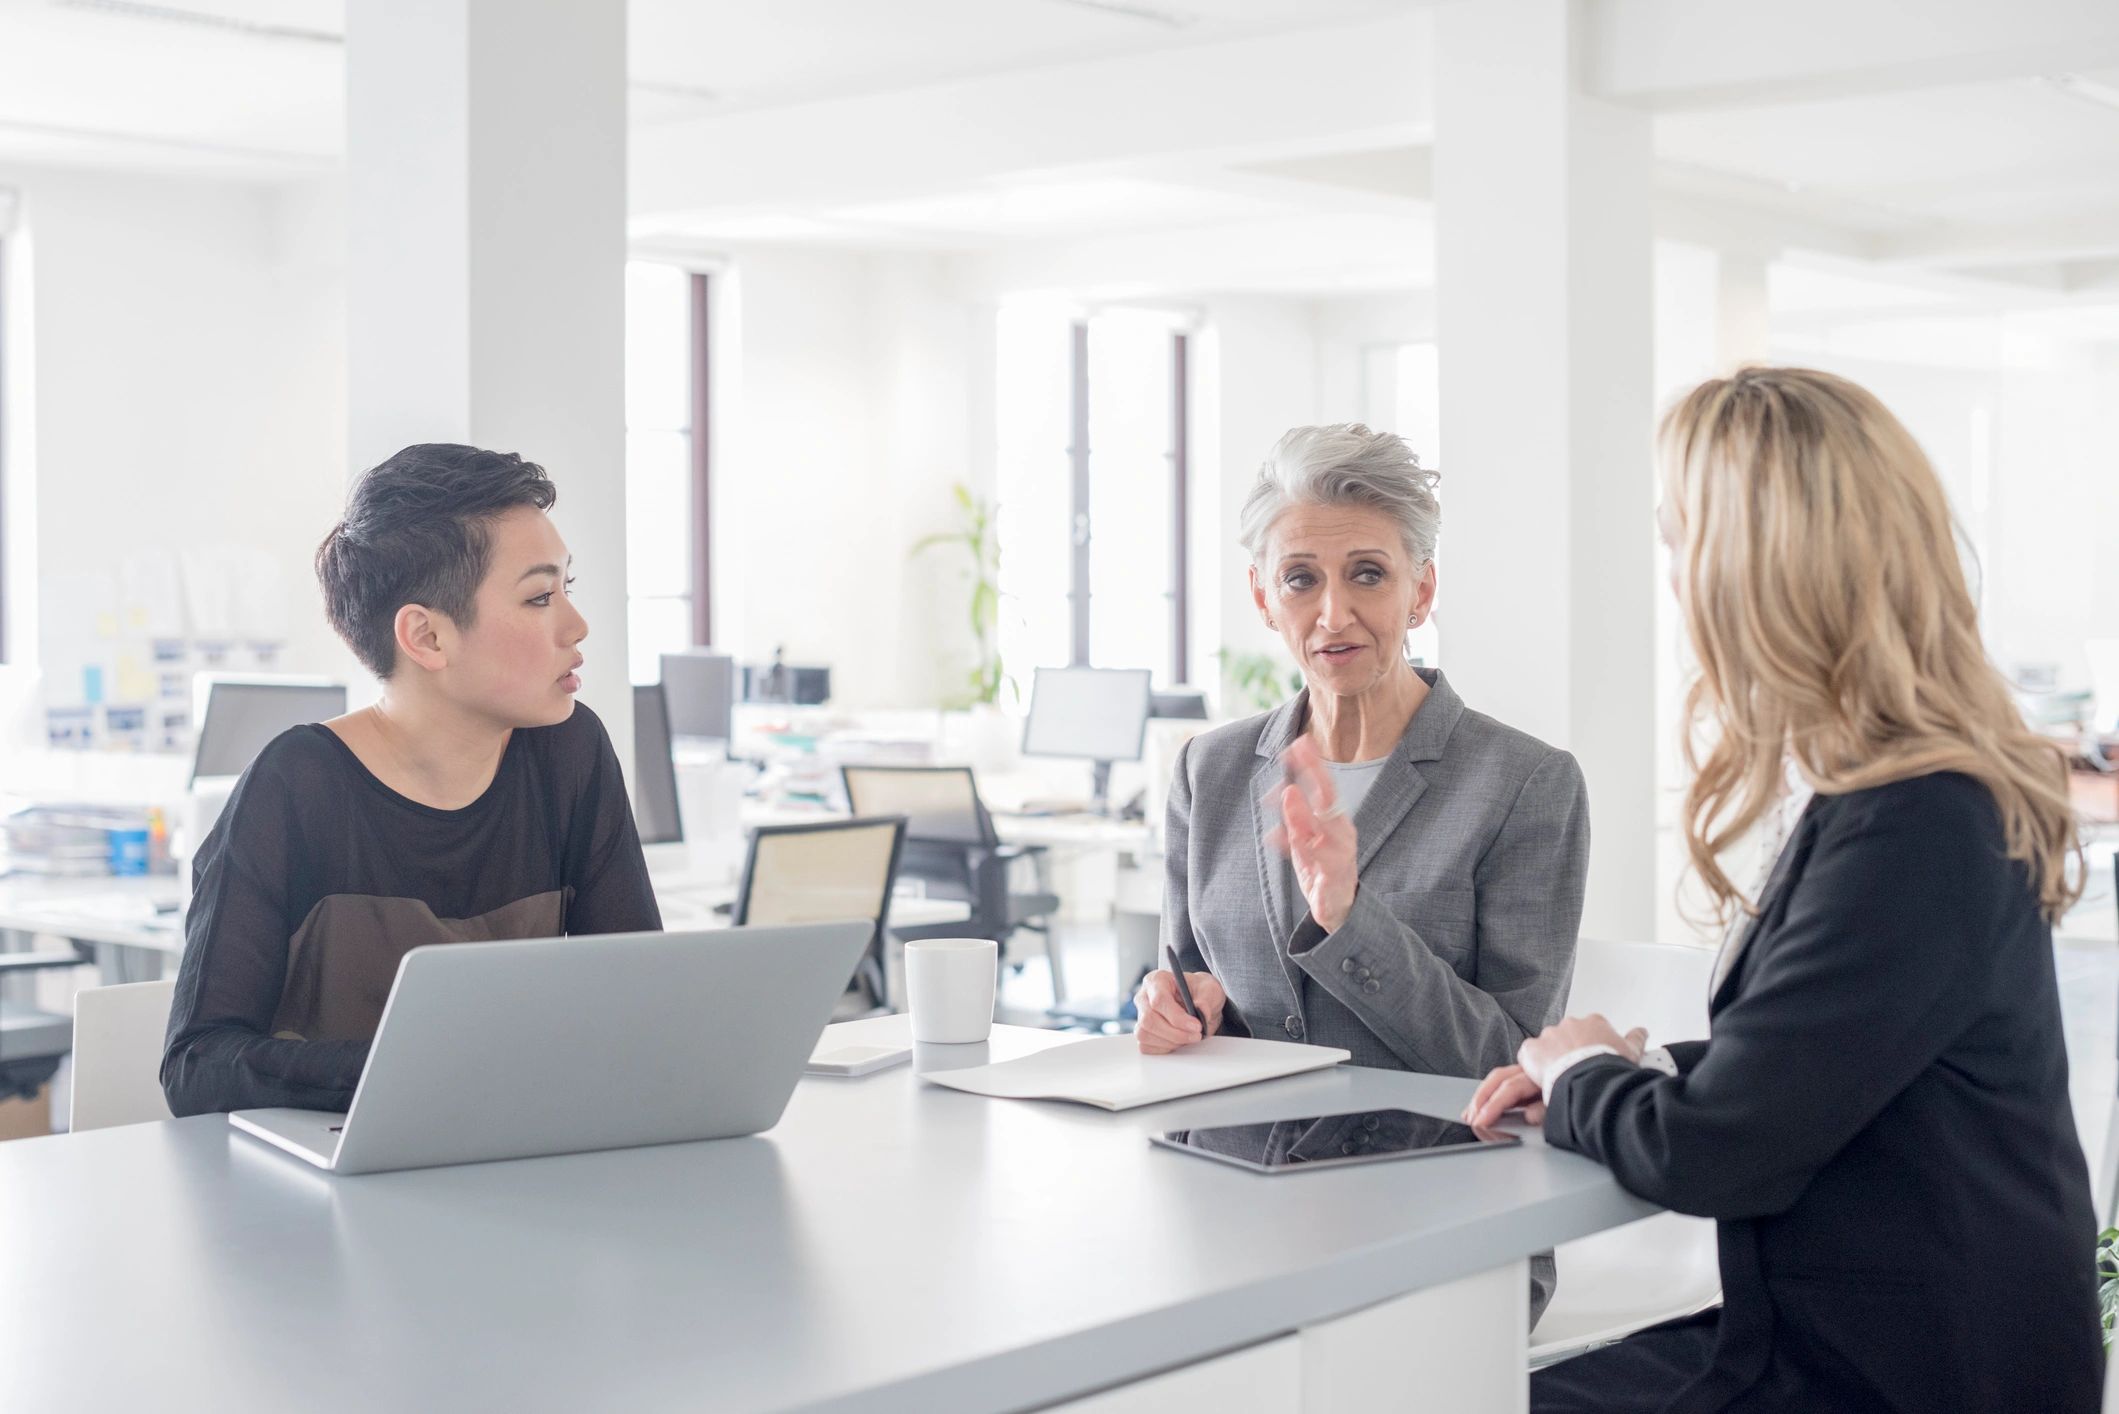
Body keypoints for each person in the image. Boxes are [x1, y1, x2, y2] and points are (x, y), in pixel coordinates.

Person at [1467, 367, 2100, 1413]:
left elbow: (1714, 1156)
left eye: (1679, 539)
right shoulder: (1899, 790)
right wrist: (1639, 1063)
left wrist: (1583, 1078)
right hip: (1875, 1334)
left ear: (1755, 565)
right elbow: (1832, 1055)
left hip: (1905, 1372)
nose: (1671, 578)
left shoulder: (1917, 820)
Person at [1140, 422, 1590, 1323]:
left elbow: (1511, 1063)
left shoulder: (1525, 783)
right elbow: (1185, 977)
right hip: (1229, 1201)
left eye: (1368, 575)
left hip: (1437, 1209)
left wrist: (1347, 917)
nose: (1332, 613)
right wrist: (1169, 1004)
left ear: (1421, 590)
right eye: (1301, 578)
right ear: (1264, 597)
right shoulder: (1210, 769)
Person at [162, 444, 661, 1117]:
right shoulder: (294, 786)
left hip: (514, 1166)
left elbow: (639, 1002)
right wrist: (430, 1071)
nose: (576, 625)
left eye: (566, 589)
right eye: (540, 597)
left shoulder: (569, 752)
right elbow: (199, 1066)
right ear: (425, 637)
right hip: (327, 1185)